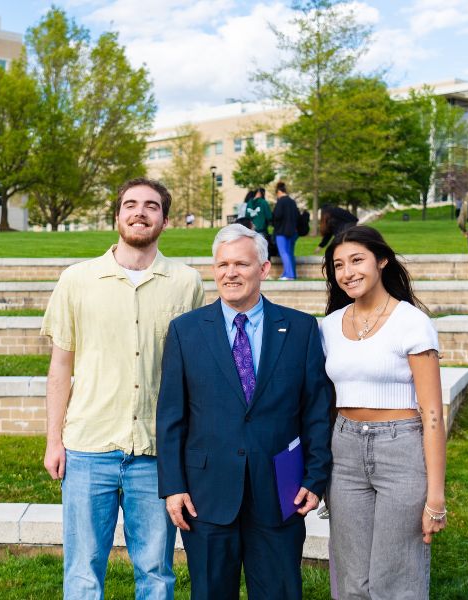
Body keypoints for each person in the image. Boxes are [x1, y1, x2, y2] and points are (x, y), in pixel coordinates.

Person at [41, 177, 205, 599]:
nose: (140, 212)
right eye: (130, 204)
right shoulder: (76, 280)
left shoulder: (187, 283)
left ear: (165, 220)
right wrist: (53, 440)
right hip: (87, 447)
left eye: (151, 206)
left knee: (155, 571)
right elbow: (60, 366)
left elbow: (196, 372)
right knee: (82, 571)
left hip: (156, 452)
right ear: (116, 216)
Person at [156, 224, 332, 600]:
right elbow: (171, 416)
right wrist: (173, 487)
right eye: (222, 265)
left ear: (264, 269)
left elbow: (316, 410)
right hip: (206, 495)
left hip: (280, 494)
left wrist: (315, 478)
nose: (230, 273)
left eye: (241, 264)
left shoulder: (300, 328)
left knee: (279, 592)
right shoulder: (186, 331)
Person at [319, 226, 447, 598]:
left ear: (382, 260)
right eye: (338, 265)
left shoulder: (412, 322)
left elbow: (433, 414)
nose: (347, 272)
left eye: (357, 260)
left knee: (397, 575)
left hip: (401, 447)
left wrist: (435, 497)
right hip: (343, 451)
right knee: (350, 575)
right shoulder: (329, 326)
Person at [272, 181, 301, 280]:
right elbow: (298, 215)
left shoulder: (281, 201)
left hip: (281, 232)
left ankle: (289, 275)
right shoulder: (292, 202)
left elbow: (277, 216)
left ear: (279, 192)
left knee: (283, 253)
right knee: (289, 253)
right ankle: (288, 273)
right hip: (292, 232)